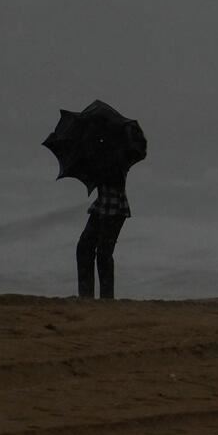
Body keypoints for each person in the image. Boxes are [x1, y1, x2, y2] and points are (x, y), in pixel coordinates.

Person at [76, 120, 144, 300]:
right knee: (84, 248)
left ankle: (106, 299)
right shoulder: (101, 151)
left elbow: (136, 152)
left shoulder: (122, 152)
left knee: (103, 253)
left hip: (115, 208)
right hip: (102, 206)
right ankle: (87, 296)